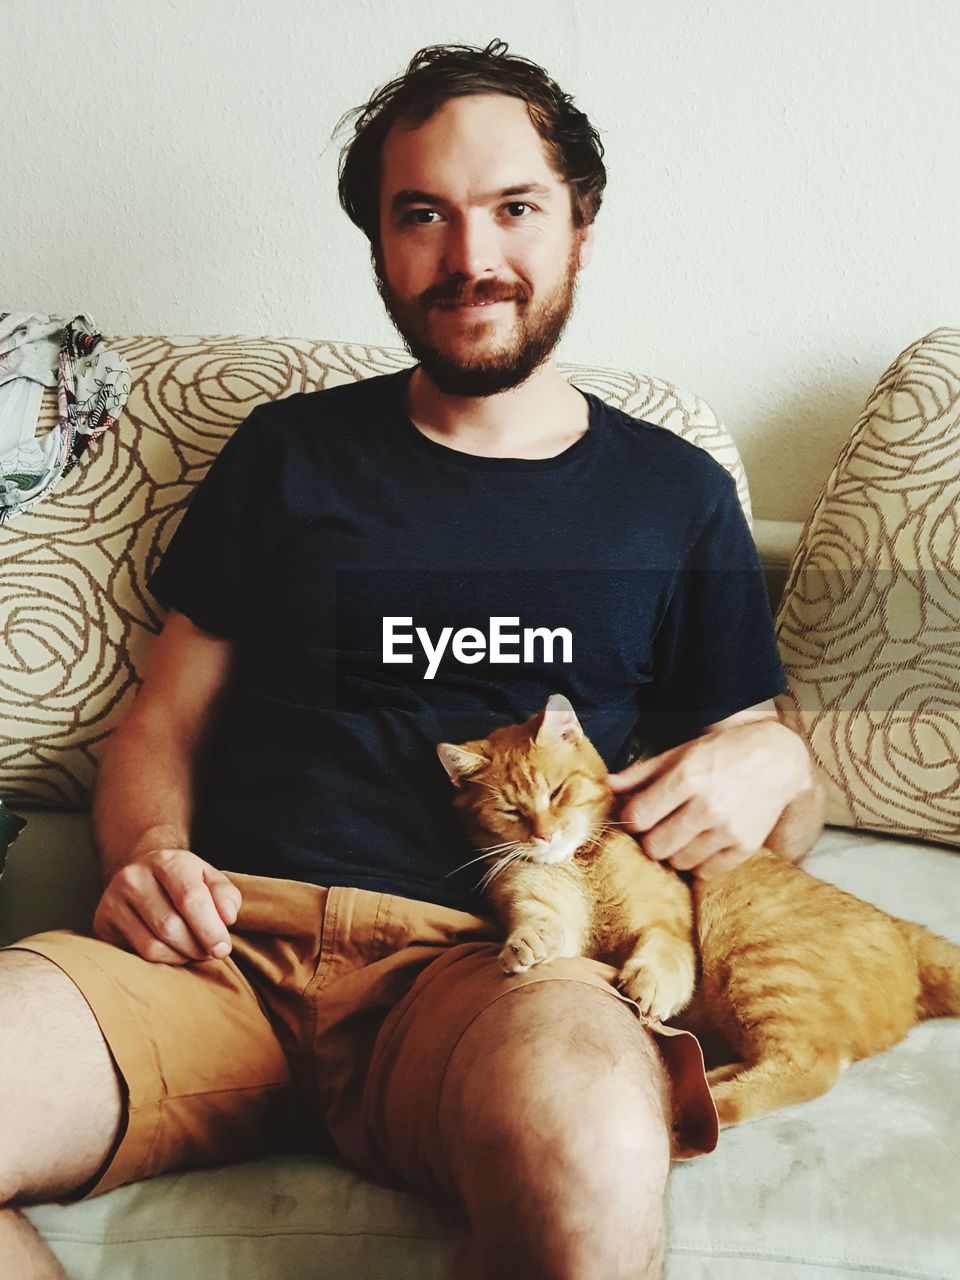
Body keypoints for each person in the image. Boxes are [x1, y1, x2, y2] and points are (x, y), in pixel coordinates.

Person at [0, 39, 825, 1280]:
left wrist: (776, 758)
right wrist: (148, 858)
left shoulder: (678, 495)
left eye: (514, 208)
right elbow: (161, 722)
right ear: (381, 245)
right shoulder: (286, 454)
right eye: (422, 214)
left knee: (600, 1154)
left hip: (501, 962)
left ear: (580, 228)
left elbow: (776, 816)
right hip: (224, 943)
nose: (471, 256)